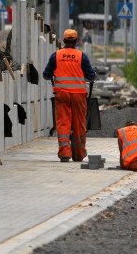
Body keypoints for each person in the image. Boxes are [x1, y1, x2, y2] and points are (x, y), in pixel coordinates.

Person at [42, 28, 97, 163]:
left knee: (63, 123)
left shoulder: (56, 56)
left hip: (62, 95)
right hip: (79, 96)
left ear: (64, 41)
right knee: (79, 124)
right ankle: (78, 154)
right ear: (77, 41)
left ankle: (65, 153)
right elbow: (91, 76)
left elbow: (46, 74)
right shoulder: (81, 56)